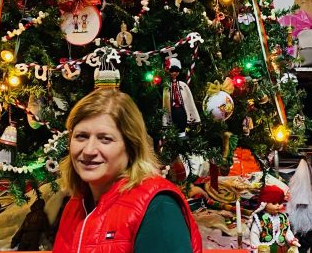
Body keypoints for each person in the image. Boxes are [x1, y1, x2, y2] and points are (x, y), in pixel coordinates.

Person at [53, 89, 203, 253]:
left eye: (105, 139)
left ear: (131, 147)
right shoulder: (75, 205)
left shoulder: (158, 207)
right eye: (81, 136)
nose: (89, 150)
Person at [248, 184, 301, 253]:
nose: (278, 205)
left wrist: (292, 240)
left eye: (280, 202)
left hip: (281, 248)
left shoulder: (282, 217)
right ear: (264, 203)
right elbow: (254, 233)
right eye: (274, 203)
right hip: (266, 249)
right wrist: (256, 247)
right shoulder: (260, 218)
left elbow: (286, 231)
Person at [162, 57, 201, 137]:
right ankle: (176, 133)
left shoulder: (183, 85)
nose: (174, 73)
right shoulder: (167, 87)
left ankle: (183, 133)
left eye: (176, 71)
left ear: (178, 72)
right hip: (173, 108)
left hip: (181, 108)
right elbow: (165, 102)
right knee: (175, 119)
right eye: (172, 71)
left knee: (182, 118)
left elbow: (189, 100)